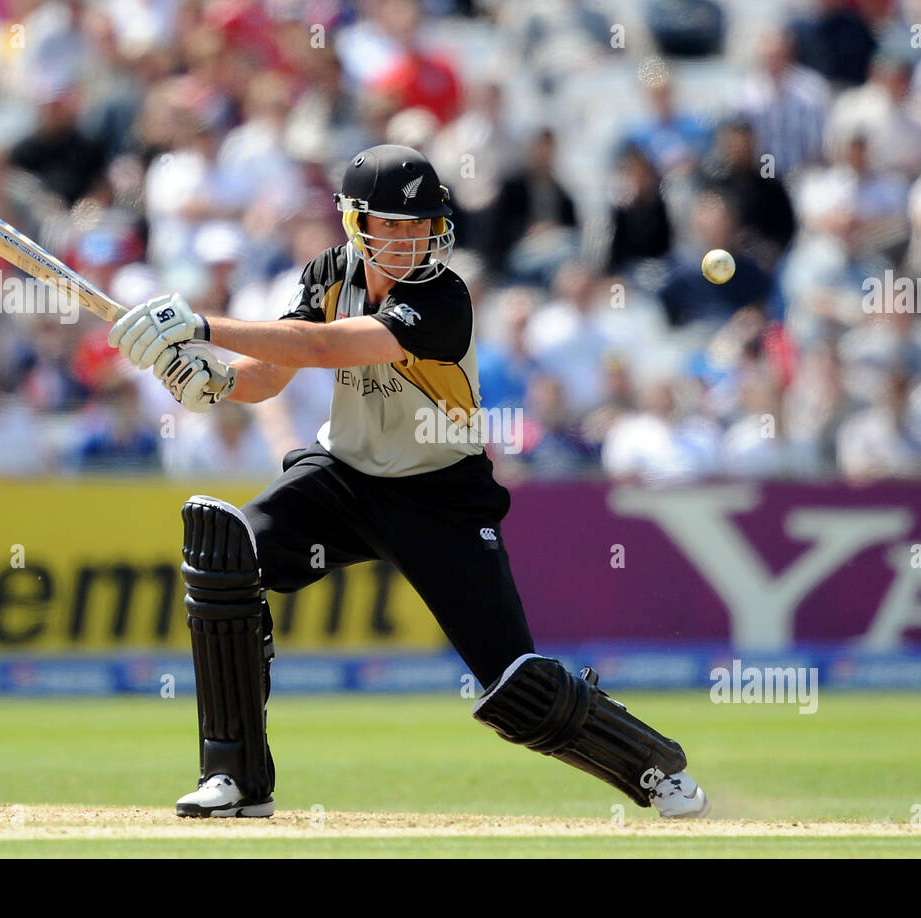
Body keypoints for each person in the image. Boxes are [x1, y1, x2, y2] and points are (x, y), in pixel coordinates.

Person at [108, 144, 710, 820]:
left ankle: (653, 765)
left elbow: (323, 348)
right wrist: (217, 381)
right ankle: (237, 779)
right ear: (354, 224)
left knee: (515, 686)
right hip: (342, 477)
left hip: (441, 495)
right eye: (389, 225)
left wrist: (201, 326)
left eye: (418, 225)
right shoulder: (328, 271)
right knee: (226, 556)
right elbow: (273, 374)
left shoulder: (444, 298)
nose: (406, 239)